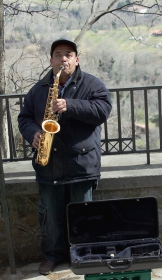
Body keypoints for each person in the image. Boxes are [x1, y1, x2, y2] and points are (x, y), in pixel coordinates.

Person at [17, 38, 112, 275]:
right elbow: (24, 118)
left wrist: (70, 105)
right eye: (58, 55)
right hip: (48, 164)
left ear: (76, 59)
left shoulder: (92, 84)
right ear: (51, 60)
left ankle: (84, 253)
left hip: (81, 163)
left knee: (83, 213)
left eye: (68, 54)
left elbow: (103, 110)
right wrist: (34, 134)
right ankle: (52, 255)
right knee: (50, 215)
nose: (63, 59)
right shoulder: (39, 90)